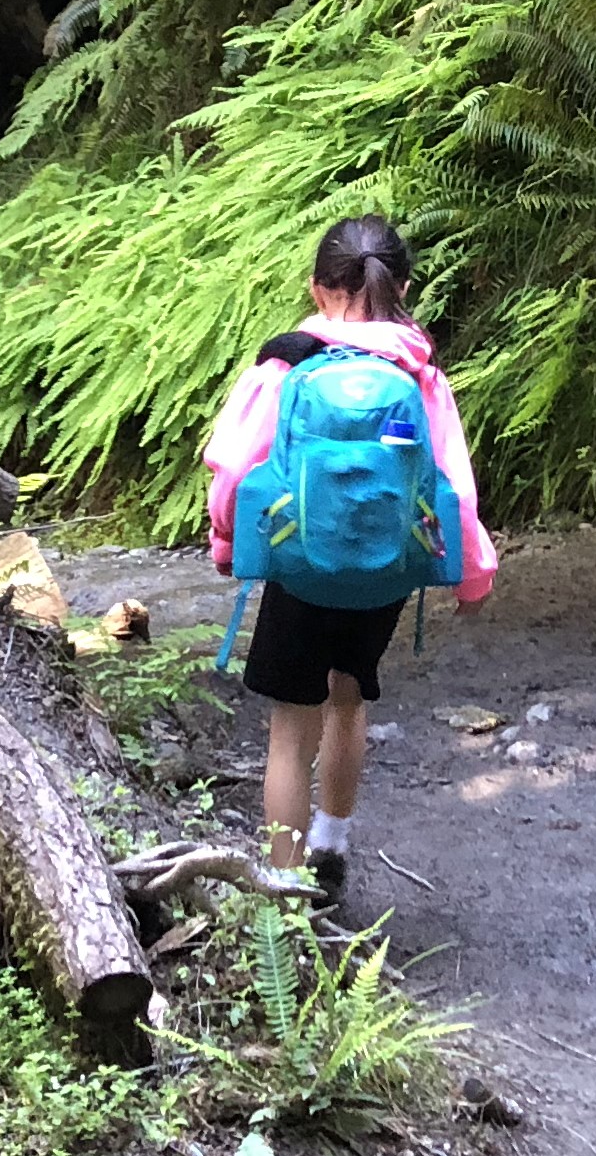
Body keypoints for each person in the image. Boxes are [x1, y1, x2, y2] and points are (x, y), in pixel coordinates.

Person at [202, 214, 497, 901]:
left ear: (317, 287)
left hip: (299, 567)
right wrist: (473, 576)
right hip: (386, 571)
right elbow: (454, 485)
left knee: (287, 730)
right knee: (347, 697)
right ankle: (332, 844)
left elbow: (234, 471)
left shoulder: (286, 364)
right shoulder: (418, 372)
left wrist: (228, 546)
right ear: (404, 285)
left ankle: (282, 879)